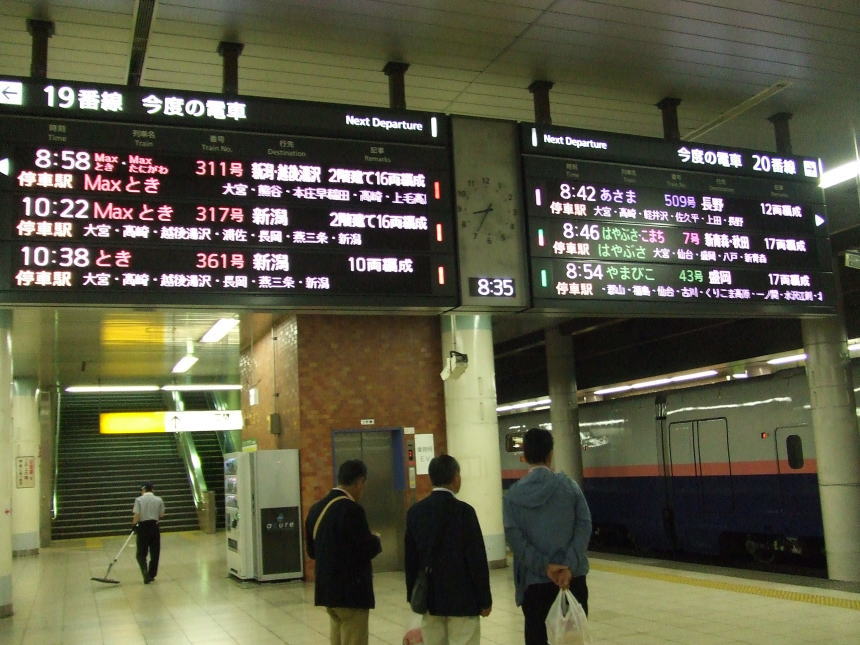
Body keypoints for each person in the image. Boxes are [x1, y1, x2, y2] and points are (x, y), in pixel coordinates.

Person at [503, 428, 592, 645]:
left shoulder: (512, 497)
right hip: (572, 580)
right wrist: (567, 565)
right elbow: (585, 525)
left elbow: (516, 542)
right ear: (551, 454)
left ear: (524, 456)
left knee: (537, 638)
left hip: (534, 586)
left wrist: (546, 567)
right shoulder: (570, 487)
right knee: (572, 640)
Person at [405, 455, 492, 645]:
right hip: (463, 598)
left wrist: (412, 594)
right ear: (455, 477)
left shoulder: (415, 513)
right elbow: (476, 558)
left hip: (431, 597)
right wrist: (484, 599)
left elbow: (410, 560)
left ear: (431, 478)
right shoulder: (465, 512)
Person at [305, 459, 382, 645]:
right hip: (351, 593)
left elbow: (312, 552)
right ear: (359, 482)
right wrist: (376, 540)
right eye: (363, 484)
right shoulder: (352, 510)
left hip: (328, 590)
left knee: (337, 638)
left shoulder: (316, 508)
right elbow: (364, 549)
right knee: (355, 638)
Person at [132, 482, 165, 584]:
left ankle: (145, 573)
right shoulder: (159, 499)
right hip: (154, 527)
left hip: (143, 527)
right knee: (155, 552)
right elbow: (162, 514)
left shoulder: (139, 500)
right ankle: (152, 574)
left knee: (141, 553)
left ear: (143, 490)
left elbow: (137, 514)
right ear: (152, 490)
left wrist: (134, 526)